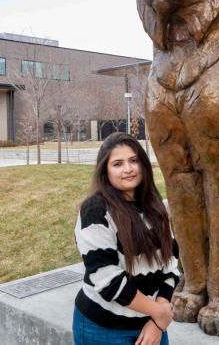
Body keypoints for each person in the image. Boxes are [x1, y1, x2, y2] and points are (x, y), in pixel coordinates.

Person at [73, 132, 180, 345]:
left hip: (150, 323)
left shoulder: (154, 205)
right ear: (105, 171)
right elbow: (108, 280)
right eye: (118, 164)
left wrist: (159, 317)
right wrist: (159, 313)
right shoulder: (94, 211)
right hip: (102, 328)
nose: (128, 169)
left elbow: (172, 260)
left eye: (133, 160)